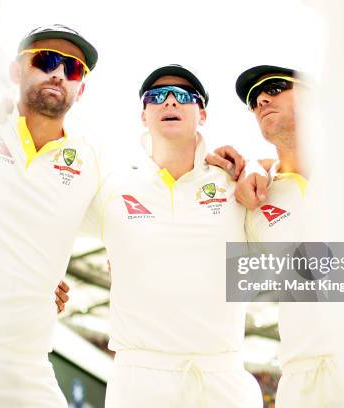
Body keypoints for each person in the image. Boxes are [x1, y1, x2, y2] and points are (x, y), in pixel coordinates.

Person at [79, 64, 263, 407]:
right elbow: (45, 221)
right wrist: (47, 280)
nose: (170, 103)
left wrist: (254, 164)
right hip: (139, 377)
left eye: (182, 96)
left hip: (220, 375)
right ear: (143, 115)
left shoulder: (235, 184)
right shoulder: (113, 186)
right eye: (157, 97)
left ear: (202, 114)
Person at [207, 65, 343, 407]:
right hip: (301, 376)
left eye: (276, 86)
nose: (262, 99)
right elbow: (207, 260)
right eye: (254, 100)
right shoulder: (253, 194)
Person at [0, 24, 100, 408]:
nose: (58, 74)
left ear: (80, 89)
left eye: (73, 69)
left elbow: (157, 230)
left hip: (27, 367)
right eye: (46, 60)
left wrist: (222, 168)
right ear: (16, 71)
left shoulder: (93, 163)